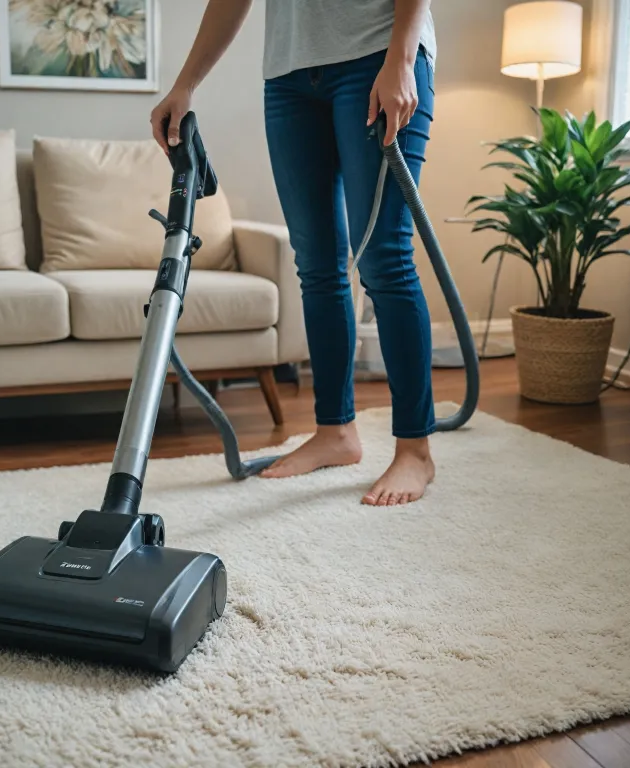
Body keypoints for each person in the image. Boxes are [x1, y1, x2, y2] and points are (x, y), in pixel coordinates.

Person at [151, 1, 437, 506]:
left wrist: (403, 57)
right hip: (288, 75)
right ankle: (336, 432)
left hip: (377, 52)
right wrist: (186, 84)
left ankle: (414, 449)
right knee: (317, 265)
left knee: (384, 259)